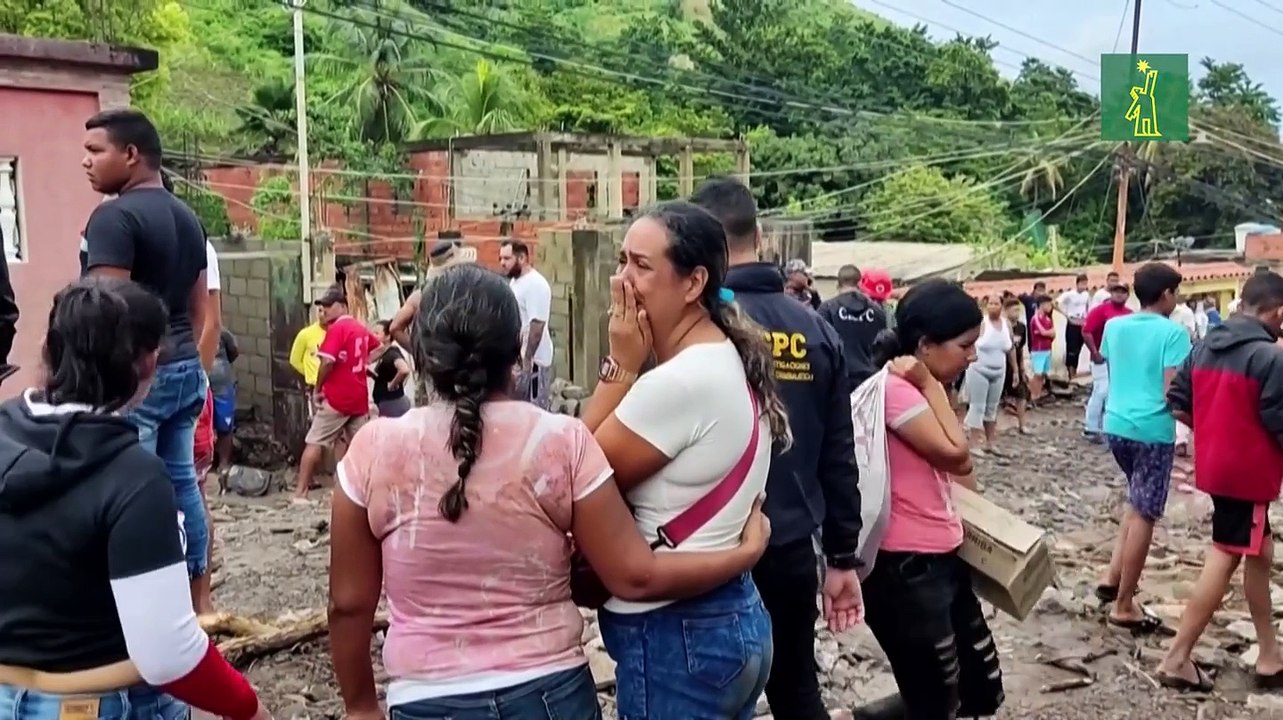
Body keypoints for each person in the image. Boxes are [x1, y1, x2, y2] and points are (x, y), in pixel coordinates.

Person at [327, 264, 769, 720]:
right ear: (518, 350)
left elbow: (348, 604)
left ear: (421, 352)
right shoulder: (559, 442)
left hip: (425, 699)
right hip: (550, 694)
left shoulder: (372, 450)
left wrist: (360, 706)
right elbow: (634, 576)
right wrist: (744, 554)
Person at [0, 277, 266, 720]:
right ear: (148, 362)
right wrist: (249, 707)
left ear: (50, 350)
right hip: (105, 700)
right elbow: (169, 653)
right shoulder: (134, 479)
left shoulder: (5, 430)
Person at [580, 200, 790, 720]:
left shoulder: (679, 383)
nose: (621, 281)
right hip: (726, 617)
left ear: (694, 282)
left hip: (676, 635)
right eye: (622, 260)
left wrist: (620, 364)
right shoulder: (725, 358)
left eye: (641, 266)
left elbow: (571, 473)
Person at [696, 178, 862, 720]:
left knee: (705, 695)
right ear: (761, 236)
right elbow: (840, 453)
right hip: (790, 544)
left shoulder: (694, 327)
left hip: (706, 549)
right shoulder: (815, 328)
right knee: (796, 687)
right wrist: (842, 555)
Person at [854, 279, 1004, 720]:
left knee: (980, 687)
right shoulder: (899, 389)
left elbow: (960, 475)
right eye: (965, 346)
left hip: (940, 556)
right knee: (935, 698)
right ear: (924, 345)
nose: (972, 356)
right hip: (907, 567)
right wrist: (930, 386)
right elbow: (956, 455)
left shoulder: (924, 386)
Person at [81, 108, 210, 610]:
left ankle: (142, 605)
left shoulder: (113, 218)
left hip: (136, 377)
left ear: (131, 154)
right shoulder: (187, 216)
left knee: (128, 491)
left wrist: (116, 382)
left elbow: (107, 314)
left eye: (96, 151)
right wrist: (182, 359)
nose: (86, 162)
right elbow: (199, 310)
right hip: (183, 368)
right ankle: (196, 599)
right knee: (181, 482)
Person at [1158, 271, 1283, 692]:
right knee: (1226, 553)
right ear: (1278, 313)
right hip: (1249, 474)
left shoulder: (1204, 346)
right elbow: (1278, 422)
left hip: (1217, 466)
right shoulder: (1270, 358)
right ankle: (1177, 658)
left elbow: (1177, 402)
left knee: (1259, 550)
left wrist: (1215, 432)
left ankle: (1269, 654)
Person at [1095, 262, 1191, 631]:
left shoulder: (1115, 326)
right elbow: (1171, 391)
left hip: (1116, 423)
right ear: (1166, 294)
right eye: (1175, 292)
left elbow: (1113, 366)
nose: (1176, 298)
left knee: (1136, 502)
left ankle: (1112, 576)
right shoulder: (1174, 333)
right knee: (1145, 514)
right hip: (1152, 430)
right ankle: (1124, 605)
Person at [294, 287, 379, 500]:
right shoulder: (359, 328)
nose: (325, 310)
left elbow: (327, 362)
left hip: (337, 398)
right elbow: (379, 347)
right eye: (323, 307)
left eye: (329, 306)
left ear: (342, 306)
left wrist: (317, 388)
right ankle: (363, 493)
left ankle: (300, 493)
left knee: (315, 441)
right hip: (358, 398)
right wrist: (362, 363)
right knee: (361, 446)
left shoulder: (337, 329)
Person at [499, 239, 555, 410]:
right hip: (519, 361)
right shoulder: (516, 282)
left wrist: (527, 360)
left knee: (535, 411)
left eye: (507, 258)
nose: (502, 263)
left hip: (534, 363)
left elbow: (537, 325)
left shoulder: (535, 284)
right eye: (501, 258)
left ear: (522, 258)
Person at [819, 263, 887, 389]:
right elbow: (884, 344)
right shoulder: (877, 311)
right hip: (870, 379)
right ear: (859, 284)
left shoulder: (827, 308)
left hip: (838, 379)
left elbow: (821, 345)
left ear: (838, 285)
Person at [962, 296, 1013, 456]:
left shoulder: (1006, 324)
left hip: (999, 370)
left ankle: (990, 442)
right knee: (977, 406)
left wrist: (1017, 370)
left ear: (1001, 306)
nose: (993, 306)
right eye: (990, 303)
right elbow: (967, 343)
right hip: (979, 369)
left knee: (992, 407)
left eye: (996, 303)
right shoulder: (982, 324)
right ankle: (973, 443)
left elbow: (1011, 348)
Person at [1082, 282, 1132, 443]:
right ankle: (1091, 427)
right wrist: (1094, 352)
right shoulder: (1101, 311)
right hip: (1101, 357)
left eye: (1122, 292)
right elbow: (1086, 331)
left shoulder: (1129, 314)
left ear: (1127, 295)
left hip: (1121, 360)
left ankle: (1109, 427)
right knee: (1101, 391)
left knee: (1115, 393)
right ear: (1111, 293)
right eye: (1116, 291)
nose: (1119, 294)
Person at [368, 320, 411, 418]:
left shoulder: (391, 353)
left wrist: (391, 385)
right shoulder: (384, 354)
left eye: (377, 333)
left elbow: (404, 370)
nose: (373, 336)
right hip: (386, 402)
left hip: (391, 403)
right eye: (372, 333)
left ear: (388, 336)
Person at [1001, 297, 1030, 435]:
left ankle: (1022, 425)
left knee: (1022, 394)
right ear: (1006, 311)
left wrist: (1021, 368)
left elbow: (1021, 348)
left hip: (1016, 367)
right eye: (1013, 310)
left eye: (1018, 310)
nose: (1016, 313)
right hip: (1001, 365)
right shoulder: (1000, 327)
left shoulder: (1021, 328)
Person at [1057, 274, 1091, 380]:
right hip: (1072, 322)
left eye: (1085, 283)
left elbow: (1087, 307)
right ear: (1077, 283)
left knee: (1079, 348)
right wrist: (1066, 315)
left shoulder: (1086, 295)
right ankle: (1070, 373)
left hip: (1082, 323)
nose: (1084, 286)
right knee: (1072, 348)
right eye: (1082, 283)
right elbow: (1056, 303)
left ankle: (1075, 371)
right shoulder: (1070, 294)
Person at [1027, 295, 1055, 403]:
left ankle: (1038, 395)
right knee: (1037, 374)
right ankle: (1033, 395)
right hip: (1038, 350)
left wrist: (1048, 333)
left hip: (1047, 349)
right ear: (1042, 305)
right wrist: (1048, 333)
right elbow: (1044, 332)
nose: (1050, 307)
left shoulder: (1048, 319)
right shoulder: (1036, 318)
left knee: (1043, 374)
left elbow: (1053, 333)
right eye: (1048, 304)